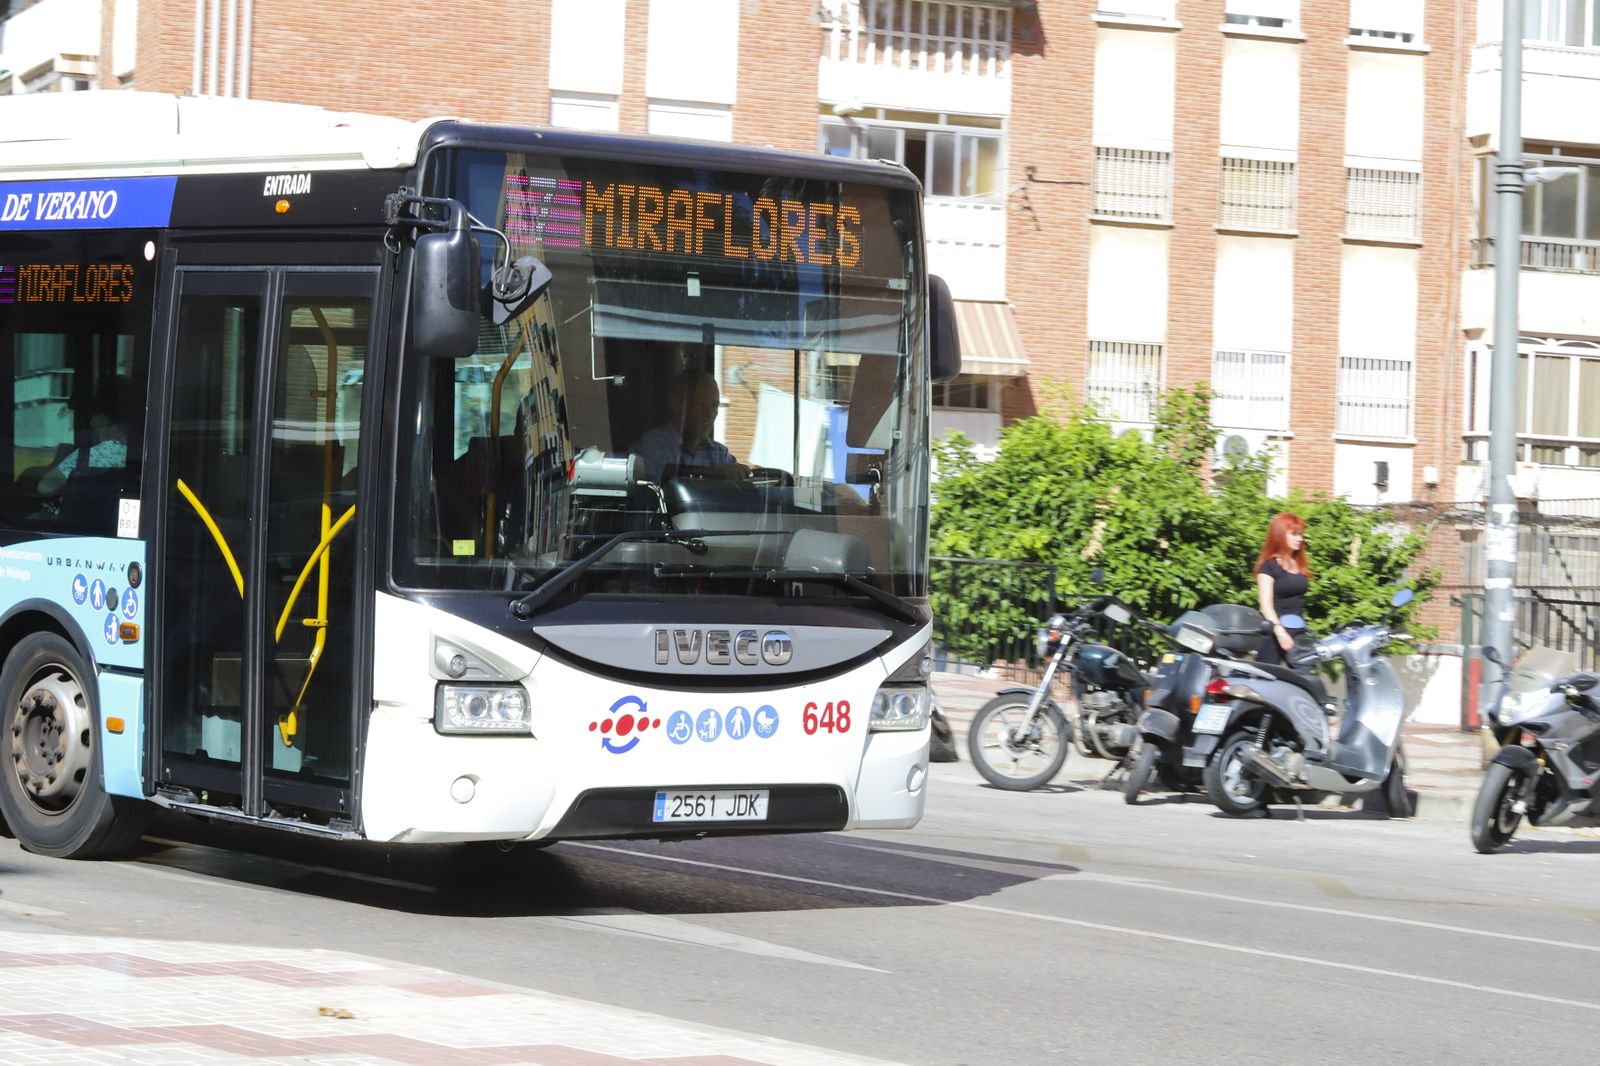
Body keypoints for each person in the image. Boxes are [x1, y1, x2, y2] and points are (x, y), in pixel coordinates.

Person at [628, 369, 744, 483]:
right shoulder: (652, 447)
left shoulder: (719, 454)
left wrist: (739, 473)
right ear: (676, 404)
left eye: (714, 406)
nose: (709, 414)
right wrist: (717, 474)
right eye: (700, 404)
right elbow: (662, 494)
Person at [1254, 511, 1315, 668]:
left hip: (1298, 631)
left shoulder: (1298, 564)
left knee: (1306, 678)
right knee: (1265, 680)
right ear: (1280, 534)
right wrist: (1280, 633)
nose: (1300, 539)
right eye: (1294, 534)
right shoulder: (1268, 566)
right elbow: (1265, 605)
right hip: (1273, 634)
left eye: (1301, 534)